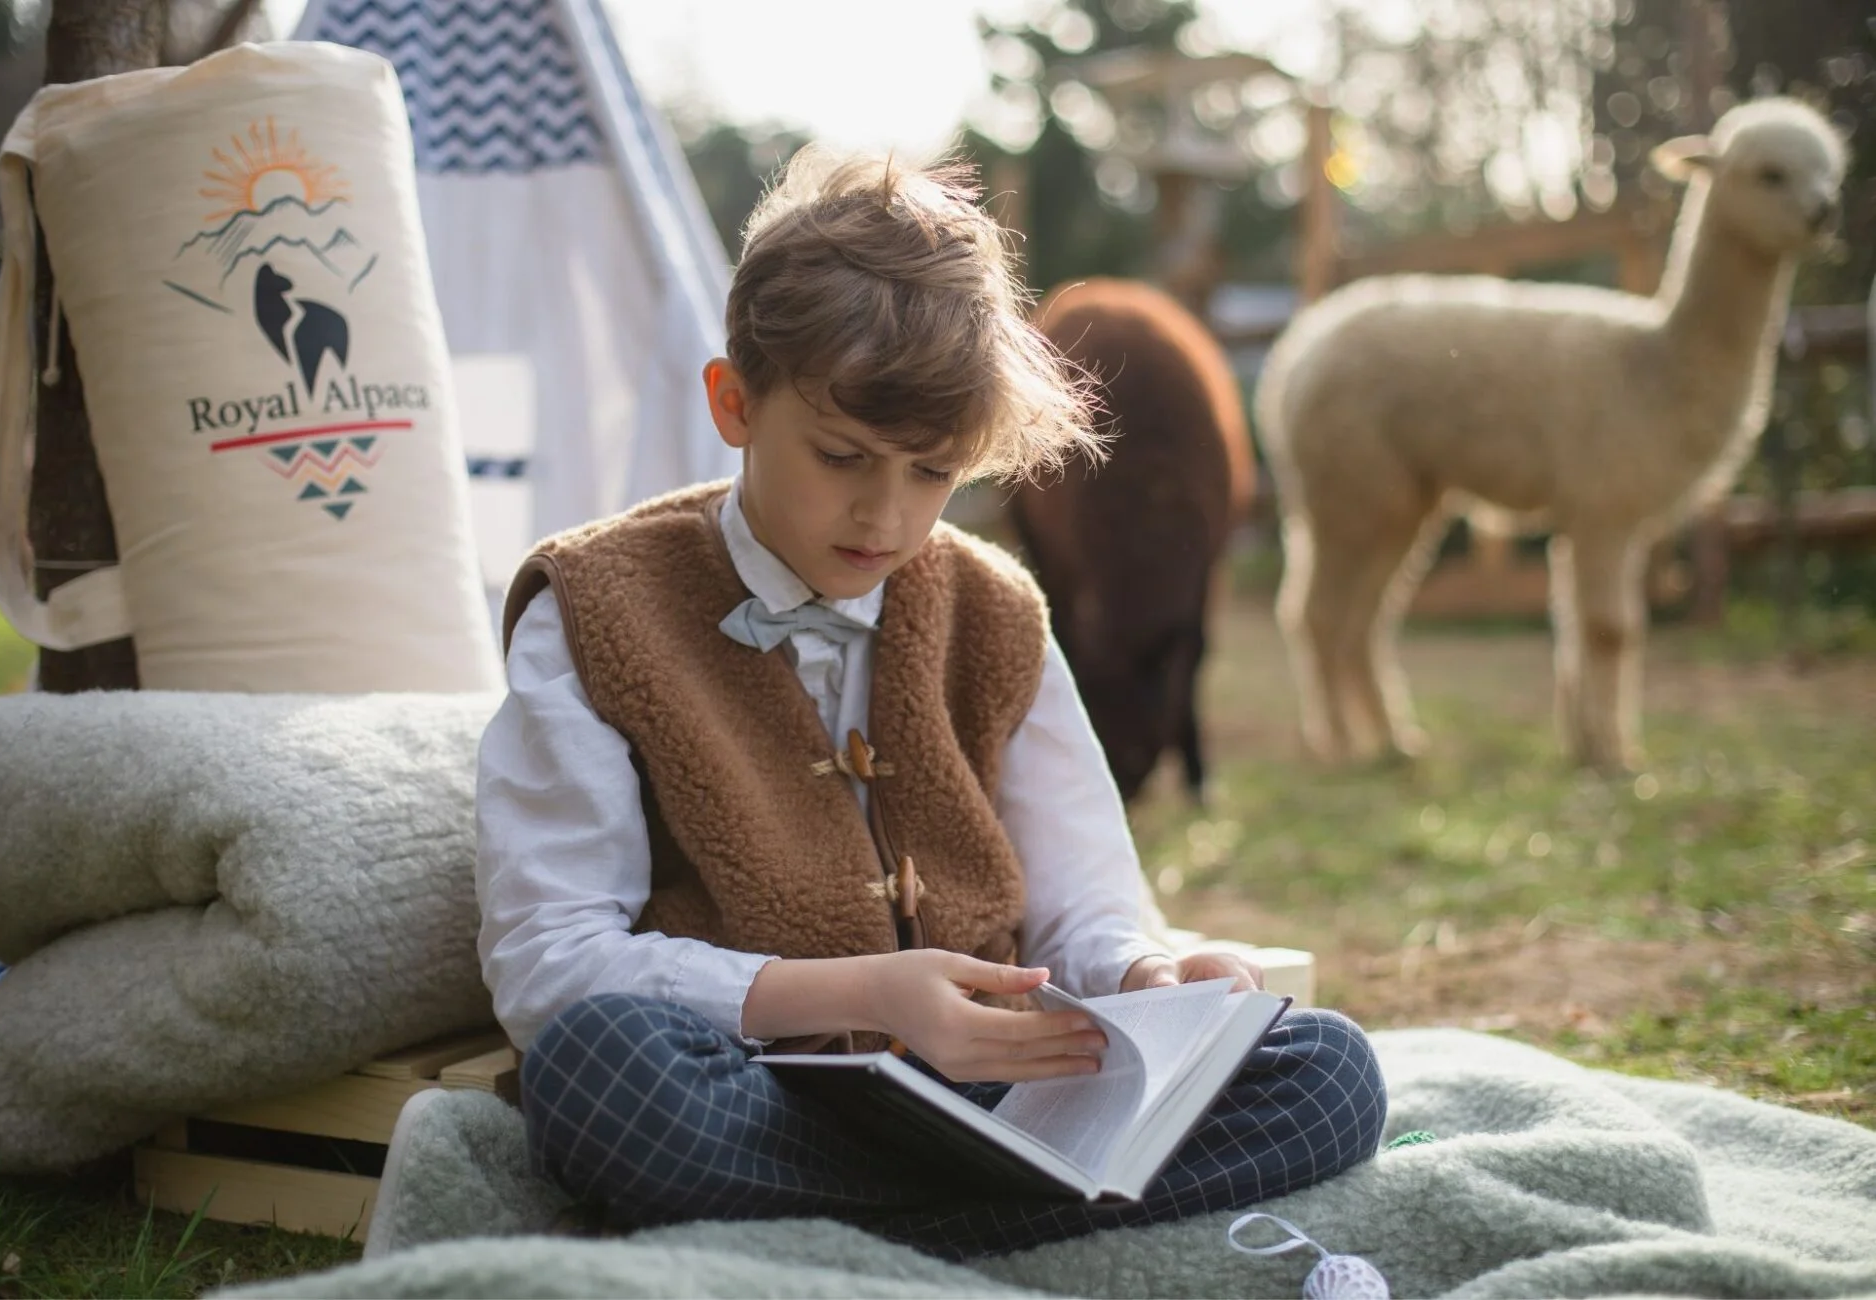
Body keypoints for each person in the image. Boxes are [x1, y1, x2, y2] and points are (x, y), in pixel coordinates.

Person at [474, 145, 1387, 1260]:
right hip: (761, 1096)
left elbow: (1086, 915)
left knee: (1332, 1073)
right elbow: (550, 966)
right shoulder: (592, 605)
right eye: (842, 456)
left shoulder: (996, 608)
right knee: (598, 1072)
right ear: (734, 401)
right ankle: (1007, 1235)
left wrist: (1151, 976)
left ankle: (873, 1242)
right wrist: (865, 994)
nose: (887, 518)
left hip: (1003, 1098)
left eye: (933, 471)